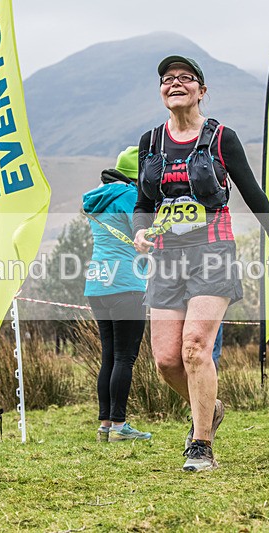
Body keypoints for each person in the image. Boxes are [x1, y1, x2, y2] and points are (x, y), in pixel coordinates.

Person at [132, 55, 269, 471]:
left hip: (213, 252)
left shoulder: (222, 138)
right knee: (166, 360)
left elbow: (253, 192)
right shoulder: (150, 142)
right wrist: (140, 230)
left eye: (185, 78)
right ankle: (211, 406)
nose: (175, 84)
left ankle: (201, 444)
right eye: (167, 79)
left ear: (201, 91)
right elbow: (143, 203)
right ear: (161, 91)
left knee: (194, 349)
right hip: (167, 257)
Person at [83, 146, 151, 442]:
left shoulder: (98, 198)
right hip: (126, 282)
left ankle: (106, 425)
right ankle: (120, 426)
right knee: (125, 357)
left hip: (97, 284)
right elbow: (146, 233)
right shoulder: (129, 196)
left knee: (109, 356)